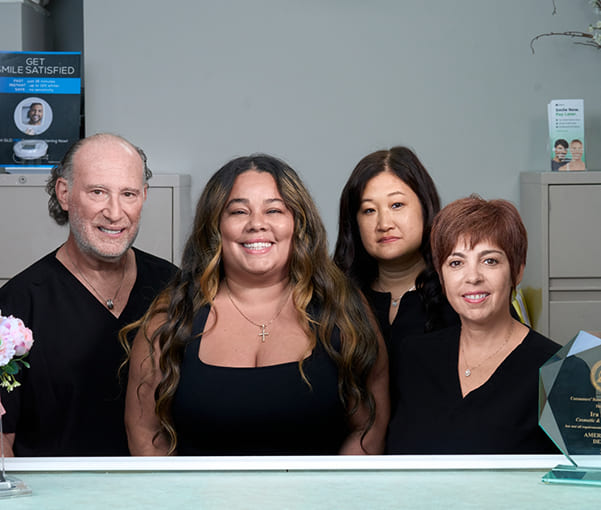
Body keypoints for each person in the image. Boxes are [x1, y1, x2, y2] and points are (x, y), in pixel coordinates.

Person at [124, 154, 389, 456]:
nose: (257, 224)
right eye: (238, 211)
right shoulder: (171, 315)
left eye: (274, 210)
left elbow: (369, 427)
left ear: (297, 223)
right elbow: (145, 431)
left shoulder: (343, 309)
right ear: (215, 227)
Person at [0, 133, 177, 456]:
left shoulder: (174, 289)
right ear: (64, 194)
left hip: (156, 495)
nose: (114, 212)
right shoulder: (17, 305)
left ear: (144, 197)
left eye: (128, 194)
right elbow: (3, 440)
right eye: (98, 192)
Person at [386, 195, 561, 454]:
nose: (473, 277)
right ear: (442, 276)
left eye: (490, 260)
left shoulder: (556, 368)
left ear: (517, 270)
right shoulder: (414, 356)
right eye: (456, 263)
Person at [334, 147, 458, 354]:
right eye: (369, 210)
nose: (384, 223)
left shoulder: (460, 290)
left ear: (425, 206)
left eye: (397, 205)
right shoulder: (335, 296)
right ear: (354, 223)